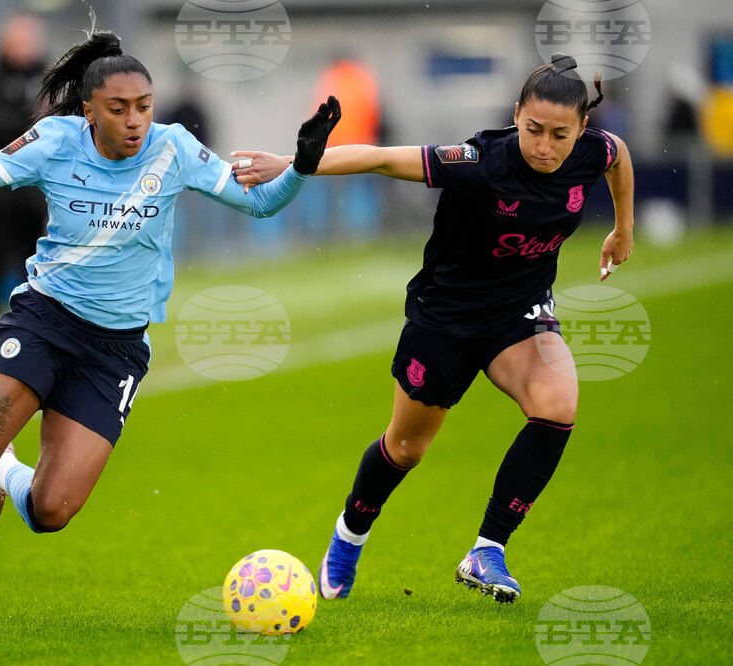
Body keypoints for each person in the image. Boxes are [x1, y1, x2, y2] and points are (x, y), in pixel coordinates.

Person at [0, 30, 341, 631]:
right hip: (44, 320)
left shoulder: (174, 148)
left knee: (51, 511)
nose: (135, 121)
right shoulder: (55, 141)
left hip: (117, 350)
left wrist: (302, 165)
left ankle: (5, 474)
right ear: (89, 111)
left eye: (144, 106)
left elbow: (259, 204)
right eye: (119, 108)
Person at [232, 53, 634, 604]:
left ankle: (487, 549)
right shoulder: (479, 161)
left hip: (518, 315)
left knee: (558, 406)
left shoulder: (594, 149)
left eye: (559, 135)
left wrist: (623, 227)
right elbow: (381, 158)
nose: (544, 145)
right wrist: (291, 163)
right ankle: (350, 533)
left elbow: (619, 156)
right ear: (516, 115)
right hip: (445, 318)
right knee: (405, 448)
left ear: (582, 128)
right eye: (533, 129)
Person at [0, 13, 50, 327]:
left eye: (31, 40)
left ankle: (36, 319)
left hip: (36, 190)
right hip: (1, 189)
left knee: (37, 257)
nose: (27, 47)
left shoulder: (48, 79)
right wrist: (30, 118)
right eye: (20, 41)